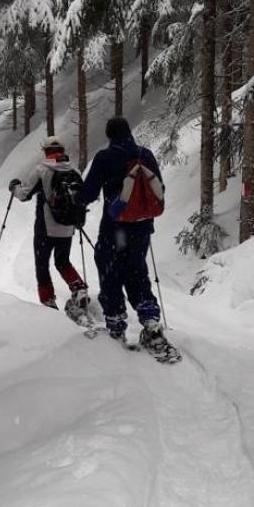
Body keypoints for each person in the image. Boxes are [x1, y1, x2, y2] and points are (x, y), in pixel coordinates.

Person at [78, 115, 171, 355]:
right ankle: (150, 321)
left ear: (109, 135)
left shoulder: (105, 157)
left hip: (115, 228)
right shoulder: (145, 154)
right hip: (142, 227)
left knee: (110, 271)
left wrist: (78, 201)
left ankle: (116, 324)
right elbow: (159, 188)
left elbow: (88, 193)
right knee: (137, 270)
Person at [8, 137, 90, 311]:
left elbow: (24, 195)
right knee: (62, 261)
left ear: (45, 151)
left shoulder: (41, 170)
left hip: (46, 227)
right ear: (62, 150)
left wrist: (14, 187)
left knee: (42, 263)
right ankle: (79, 289)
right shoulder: (73, 170)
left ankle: (48, 302)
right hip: (68, 226)